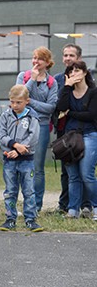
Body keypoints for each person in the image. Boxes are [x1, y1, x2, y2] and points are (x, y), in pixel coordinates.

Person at [16, 46, 58, 212]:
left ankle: (36, 205)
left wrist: (30, 102)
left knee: (37, 167)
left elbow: (50, 108)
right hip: (23, 125)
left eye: (39, 58)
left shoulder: (51, 82)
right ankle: (25, 202)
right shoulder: (23, 76)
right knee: (22, 166)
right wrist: (31, 80)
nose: (35, 61)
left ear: (47, 62)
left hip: (41, 126)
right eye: (34, 58)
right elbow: (18, 97)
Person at [53, 44, 92, 216]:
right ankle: (67, 205)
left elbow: (91, 113)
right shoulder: (59, 79)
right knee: (68, 173)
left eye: (71, 55)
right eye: (65, 55)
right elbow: (58, 107)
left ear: (79, 59)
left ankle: (87, 205)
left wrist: (72, 113)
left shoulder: (90, 85)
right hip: (65, 132)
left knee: (85, 171)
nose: (68, 58)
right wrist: (67, 87)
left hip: (86, 132)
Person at [0, 85, 43, 232]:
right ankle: (10, 218)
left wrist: (21, 151)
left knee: (29, 190)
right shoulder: (5, 115)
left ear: (27, 101)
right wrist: (15, 146)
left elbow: (33, 137)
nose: (15, 105)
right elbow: (1, 135)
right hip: (9, 161)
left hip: (27, 161)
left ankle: (30, 219)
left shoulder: (32, 117)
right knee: (10, 191)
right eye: (12, 102)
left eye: (19, 102)